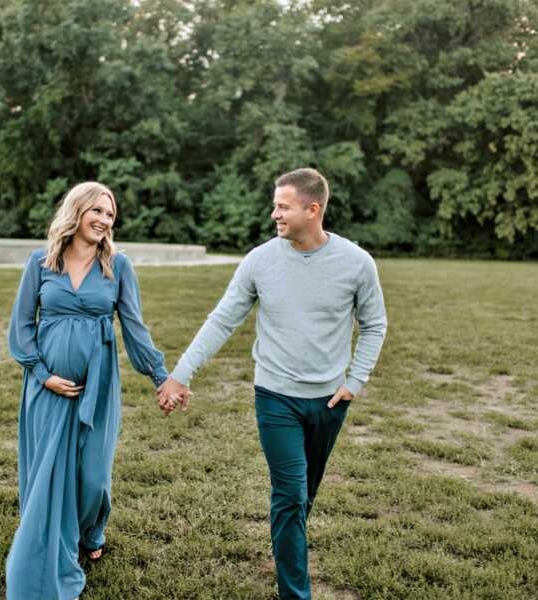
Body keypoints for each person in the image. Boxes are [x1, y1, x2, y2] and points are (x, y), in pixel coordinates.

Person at [158, 168, 388, 600]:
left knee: (302, 498)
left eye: (283, 206)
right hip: (275, 396)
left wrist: (355, 380)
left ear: (312, 209)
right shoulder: (260, 260)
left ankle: (287, 545)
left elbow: (374, 324)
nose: (274, 214)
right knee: (289, 494)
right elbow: (223, 319)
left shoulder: (357, 263)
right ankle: (294, 593)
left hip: (330, 400)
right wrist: (180, 374)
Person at [5, 181, 169, 600]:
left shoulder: (117, 265)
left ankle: (91, 529)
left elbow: (134, 327)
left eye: (110, 214)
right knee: (49, 475)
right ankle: (50, 549)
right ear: (77, 212)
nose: (104, 220)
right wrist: (42, 374)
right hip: (46, 389)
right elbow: (22, 326)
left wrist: (160, 375)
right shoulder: (41, 262)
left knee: (93, 476)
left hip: (97, 386)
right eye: (97, 210)